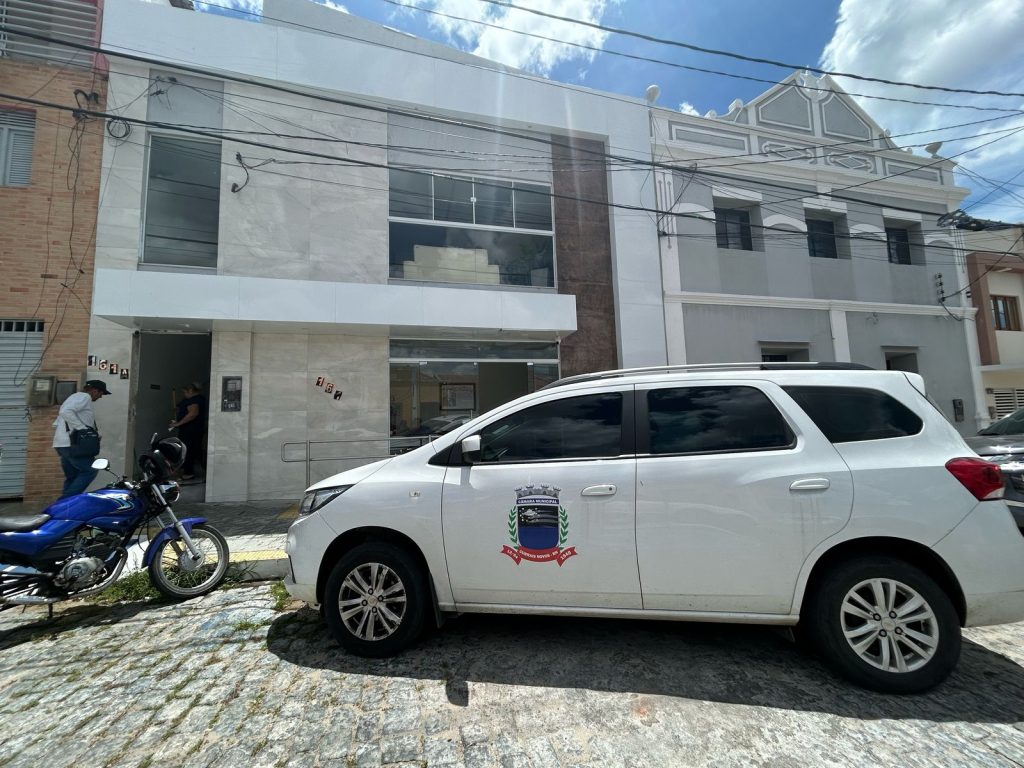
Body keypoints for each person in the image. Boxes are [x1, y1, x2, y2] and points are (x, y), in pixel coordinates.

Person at [52, 379, 111, 499]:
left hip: (63, 444)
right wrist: (83, 429)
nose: (101, 397)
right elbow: (65, 412)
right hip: (73, 445)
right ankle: (64, 501)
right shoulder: (84, 397)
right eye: (101, 393)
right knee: (90, 470)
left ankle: (65, 506)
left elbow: (57, 422)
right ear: (94, 390)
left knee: (72, 476)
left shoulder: (75, 398)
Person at [170, 382, 207, 480]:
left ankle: (189, 473)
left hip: (191, 430)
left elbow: (192, 414)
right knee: (192, 450)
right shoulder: (189, 399)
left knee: (189, 450)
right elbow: (182, 407)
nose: (184, 394)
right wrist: (178, 409)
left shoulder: (195, 400)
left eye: (185, 392)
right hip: (189, 430)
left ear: (190, 391)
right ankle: (187, 470)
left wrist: (178, 423)